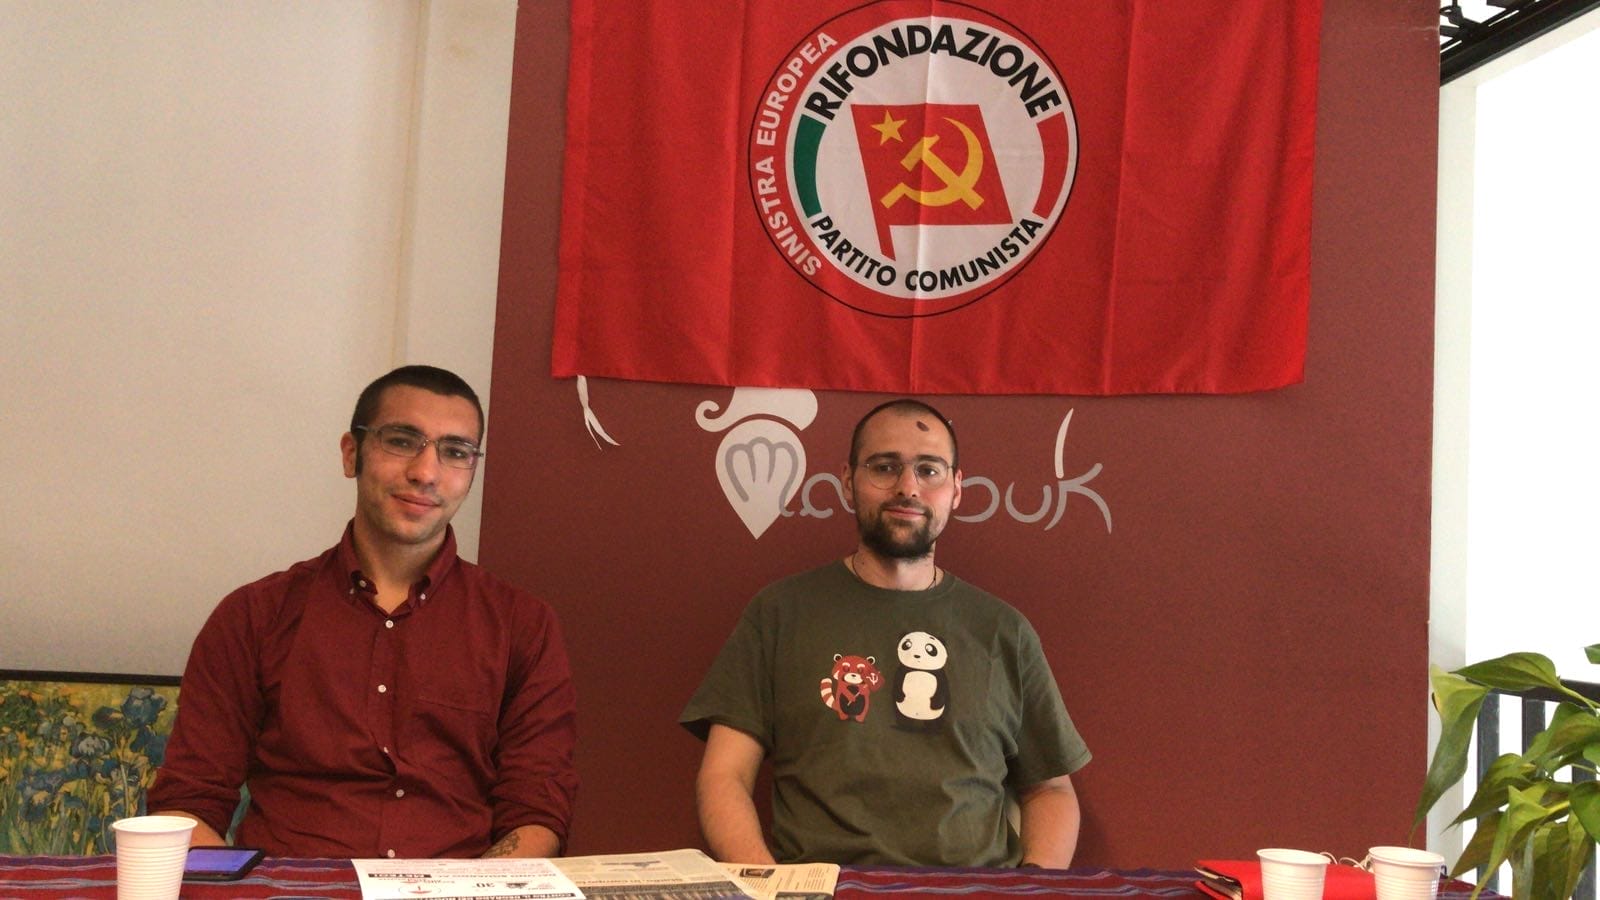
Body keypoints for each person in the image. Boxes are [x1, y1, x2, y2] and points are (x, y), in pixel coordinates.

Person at [148, 365, 578, 859]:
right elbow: (187, 803)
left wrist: (472, 893)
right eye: (402, 441)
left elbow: (537, 809)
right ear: (352, 454)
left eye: (456, 452)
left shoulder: (522, 625)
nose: (426, 472)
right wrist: (251, 892)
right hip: (288, 889)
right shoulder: (253, 616)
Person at [680, 399, 1091, 868]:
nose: (907, 487)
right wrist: (768, 887)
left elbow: (1051, 791)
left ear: (956, 489)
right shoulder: (778, 613)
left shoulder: (1004, 630)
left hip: (975, 890)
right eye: (884, 467)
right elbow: (724, 776)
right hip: (824, 890)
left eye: (929, 470)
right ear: (848, 482)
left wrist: (1031, 890)